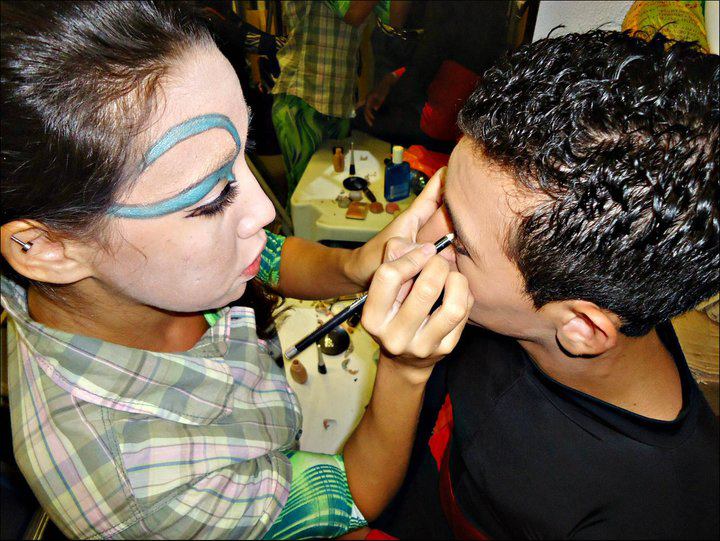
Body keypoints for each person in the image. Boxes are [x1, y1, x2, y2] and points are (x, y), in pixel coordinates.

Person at [0, 1, 472, 539]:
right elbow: (347, 500)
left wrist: (354, 264)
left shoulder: (143, 271)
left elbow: (268, 258)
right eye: (212, 197)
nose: (265, 209)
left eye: (244, 153)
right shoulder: (141, 484)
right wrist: (405, 369)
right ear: (46, 248)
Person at [374, 29, 720, 539]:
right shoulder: (540, 298)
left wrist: (401, 368)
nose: (419, 235)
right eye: (443, 194)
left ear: (581, 328)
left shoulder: (649, 515)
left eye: (459, 242)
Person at [270, 0, 409, 199]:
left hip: (340, 104)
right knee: (305, 198)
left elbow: (395, 21)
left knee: (335, 193)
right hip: (302, 98)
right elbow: (353, 15)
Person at [354, 1, 510, 153]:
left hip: (439, 122)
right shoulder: (495, 10)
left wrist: (387, 101)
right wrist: (394, 78)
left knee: (361, 119)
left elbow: (430, 58)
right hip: (471, 122)